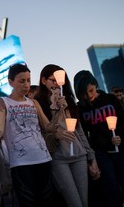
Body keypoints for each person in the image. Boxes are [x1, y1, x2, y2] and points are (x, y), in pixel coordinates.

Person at [0, 63, 63, 207]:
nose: (26, 84)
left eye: (28, 80)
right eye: (22, 81)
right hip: (21, 163)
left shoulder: (33, 103)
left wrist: (59, 110)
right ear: (10, 82)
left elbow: (49, 127)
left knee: (47, 202)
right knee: (28, 202)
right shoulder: (3, 102)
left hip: (43, 159)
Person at [34, 64, 100, 207]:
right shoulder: (38, 104)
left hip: (79, 156)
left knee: (84, 202)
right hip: (58, 159)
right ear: (43, 80)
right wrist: (57, 110)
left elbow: (79, 132)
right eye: (53, 80)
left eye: (60, 80)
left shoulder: (69, 100)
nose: (57, 84)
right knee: (73, 202)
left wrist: (91, 157)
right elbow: (43, 132)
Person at [74, 70, 124, 207]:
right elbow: (84, 135)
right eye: (84, 93)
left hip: (120, 150)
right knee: (111, 189)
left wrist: (120, 137)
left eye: (90, 90)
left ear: (95, 85)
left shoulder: (110, 99)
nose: (89, 95)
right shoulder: (81, 109)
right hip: (101, 154)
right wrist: (91, 159)